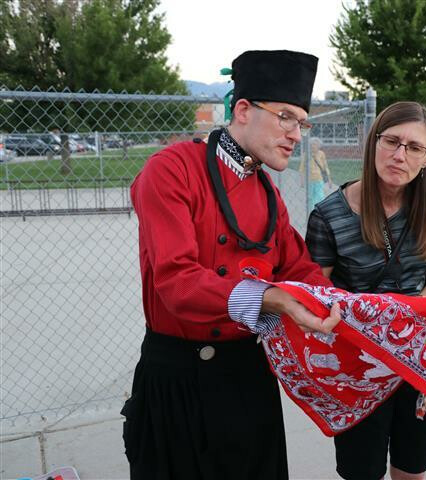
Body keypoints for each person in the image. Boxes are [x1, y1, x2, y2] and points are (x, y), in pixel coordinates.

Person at [121, 50, 341, 480]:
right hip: (177, 381)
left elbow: (301, 272)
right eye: (286, 118)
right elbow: (177, 282)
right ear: (242, 110)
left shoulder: (268, 192)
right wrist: (272, 298)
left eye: (302, 122)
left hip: (246, 377)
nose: (297, 134)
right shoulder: (170, 171)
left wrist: (357, 312)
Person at [305, 101, 426, 480]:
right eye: (392, 141)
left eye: (414, 147)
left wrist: (408, 309)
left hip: (418, 357)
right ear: (374, 143)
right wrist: (366, 319)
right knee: (362, 471)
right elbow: (318, 293)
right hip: (359, 366)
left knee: (412, 467)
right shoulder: (329, 215)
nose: (400, 155)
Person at [299, 136, 332, 206]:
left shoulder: (321, 154)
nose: (313, 146)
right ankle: (311, 211)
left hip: (319, 179)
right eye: (312, 144)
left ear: (319, 146)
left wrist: (329, 179)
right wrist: (302, 180)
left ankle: (319, 210)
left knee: (320, 196)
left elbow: (325, 167)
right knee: (310, 197)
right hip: (309, 180)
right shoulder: (306, 154)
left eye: (315, 144)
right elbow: (301, 168)